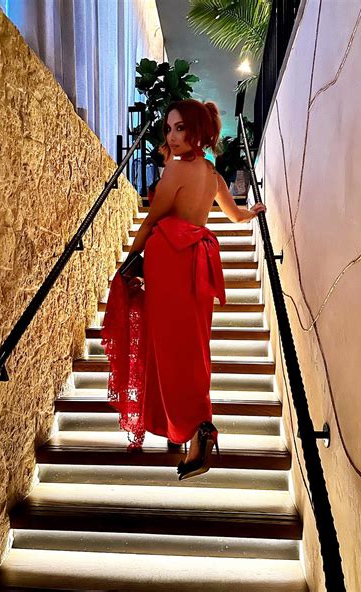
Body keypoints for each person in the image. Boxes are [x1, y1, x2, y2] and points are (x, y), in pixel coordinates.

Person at [102, 99, 266, 480]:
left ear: (197, 131)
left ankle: (193, 429)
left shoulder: (176, 169)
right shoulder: (213, 176)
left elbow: (152, 220)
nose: (173, 137)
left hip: (170, 260)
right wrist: (253, 212)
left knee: (169, 352)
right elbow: (235, 215)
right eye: (169, 129)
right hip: (199, 263)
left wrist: (129, 262)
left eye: (180, 128)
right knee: (193, 349)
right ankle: (190, 429)